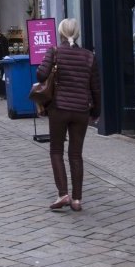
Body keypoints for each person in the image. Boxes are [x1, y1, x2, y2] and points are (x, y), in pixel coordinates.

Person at [38, 18, 100, 212]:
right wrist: (96, 112)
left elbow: (40, 75)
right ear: (77, 34)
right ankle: (78, 200)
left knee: (56, 150)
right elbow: (96, 87)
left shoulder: (54, 51)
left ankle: (63, 193)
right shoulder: (89, 56)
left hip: (59, 109)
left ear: (61, 34)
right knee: (76, 154)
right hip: (81, 110)